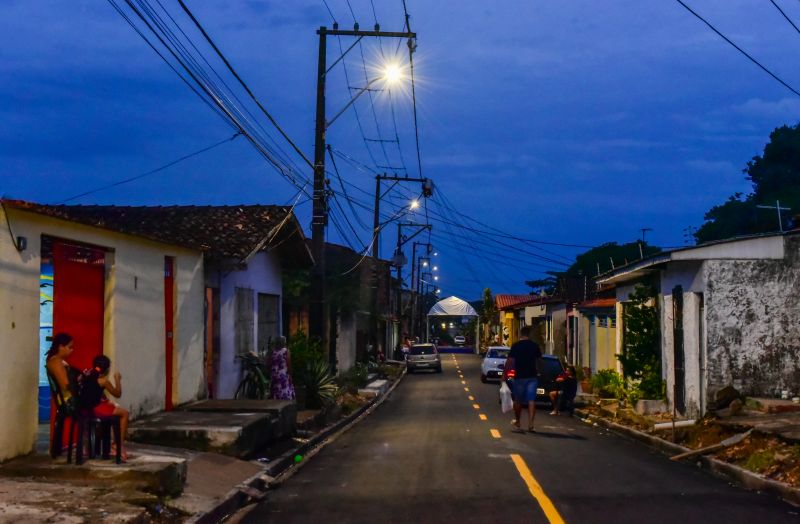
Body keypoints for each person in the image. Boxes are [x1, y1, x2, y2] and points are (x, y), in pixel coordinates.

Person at [84, 355, 131, 461]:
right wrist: (117, 380)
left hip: (86, 408)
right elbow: (117, 394)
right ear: (107, 369)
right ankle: (117, 445)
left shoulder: (88, 374)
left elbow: (93, 393)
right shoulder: (103, 380)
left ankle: (92, 448)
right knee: (124, 413)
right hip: (96, 408)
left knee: (111, 408)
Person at [503, 326, 542, 433]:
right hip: (532, 376)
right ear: (529, 334)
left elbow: (510, 361)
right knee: (531, 400)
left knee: (518, 400)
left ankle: (518, 422)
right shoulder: (534, 346)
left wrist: (504, 375)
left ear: (521, 334)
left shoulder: (516, 346)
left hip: (519, 376)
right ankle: (531, 424)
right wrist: (539, 371)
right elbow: (539, 361)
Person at [45, 332, 75, 401]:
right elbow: (65, 386)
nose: (72, 350)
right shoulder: (56, 362)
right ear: (61, 347)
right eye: (69, 347)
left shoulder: (55, 360)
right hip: (69, 402)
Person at [269, 336, 295, 401]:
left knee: (275, 392)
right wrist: (290, 375)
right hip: (283, 376)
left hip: (274, 376)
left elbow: (268, 364)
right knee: (285, 392)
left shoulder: (273, 352)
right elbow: (288, 364)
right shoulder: (286, 351)